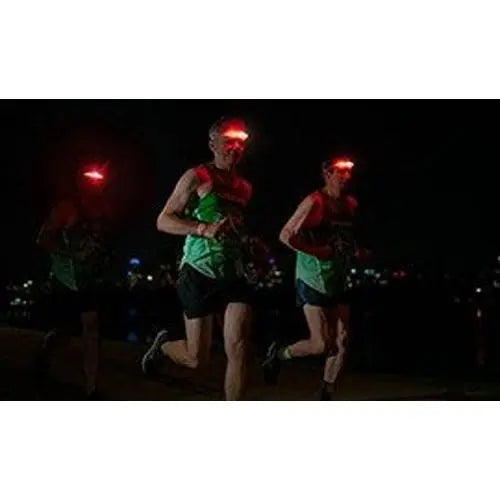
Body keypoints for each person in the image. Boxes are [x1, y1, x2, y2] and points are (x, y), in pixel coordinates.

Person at [141, 117, 253, 400]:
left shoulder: (244, 188)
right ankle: (163, 346)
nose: (235, 148)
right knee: (196, 359)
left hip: (233, 273)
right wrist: (203, 229)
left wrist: (246, 241)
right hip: (198, 271)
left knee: (239, 347)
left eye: (240, 142)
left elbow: (233, 225)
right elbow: (164, 220)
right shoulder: (198, 176)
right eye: (228, 142)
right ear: (212, 144)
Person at [263, 157, 360, 400]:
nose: (346, 177)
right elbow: (285, 235)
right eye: (340, 173)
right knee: (321, 344)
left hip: (339, 278)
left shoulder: (350, 204)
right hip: (313, 278)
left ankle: (327, 392)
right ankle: (280, 354)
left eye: (348, 173)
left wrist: (355, 251)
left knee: (342, 339)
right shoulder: (315, 202)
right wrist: (317, 252)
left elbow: (343, 238)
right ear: (327, 174)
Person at [35, 162, 116, 398]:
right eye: (90, 179)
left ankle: (91, 388)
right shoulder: (67, 208)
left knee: (92, 329)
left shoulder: (104, 209)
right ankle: (46, 353)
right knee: (64, 332)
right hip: (66, 280)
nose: (95, 184)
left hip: (90, 281)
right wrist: (72, 254)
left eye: (98, 180)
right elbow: (43, 239)